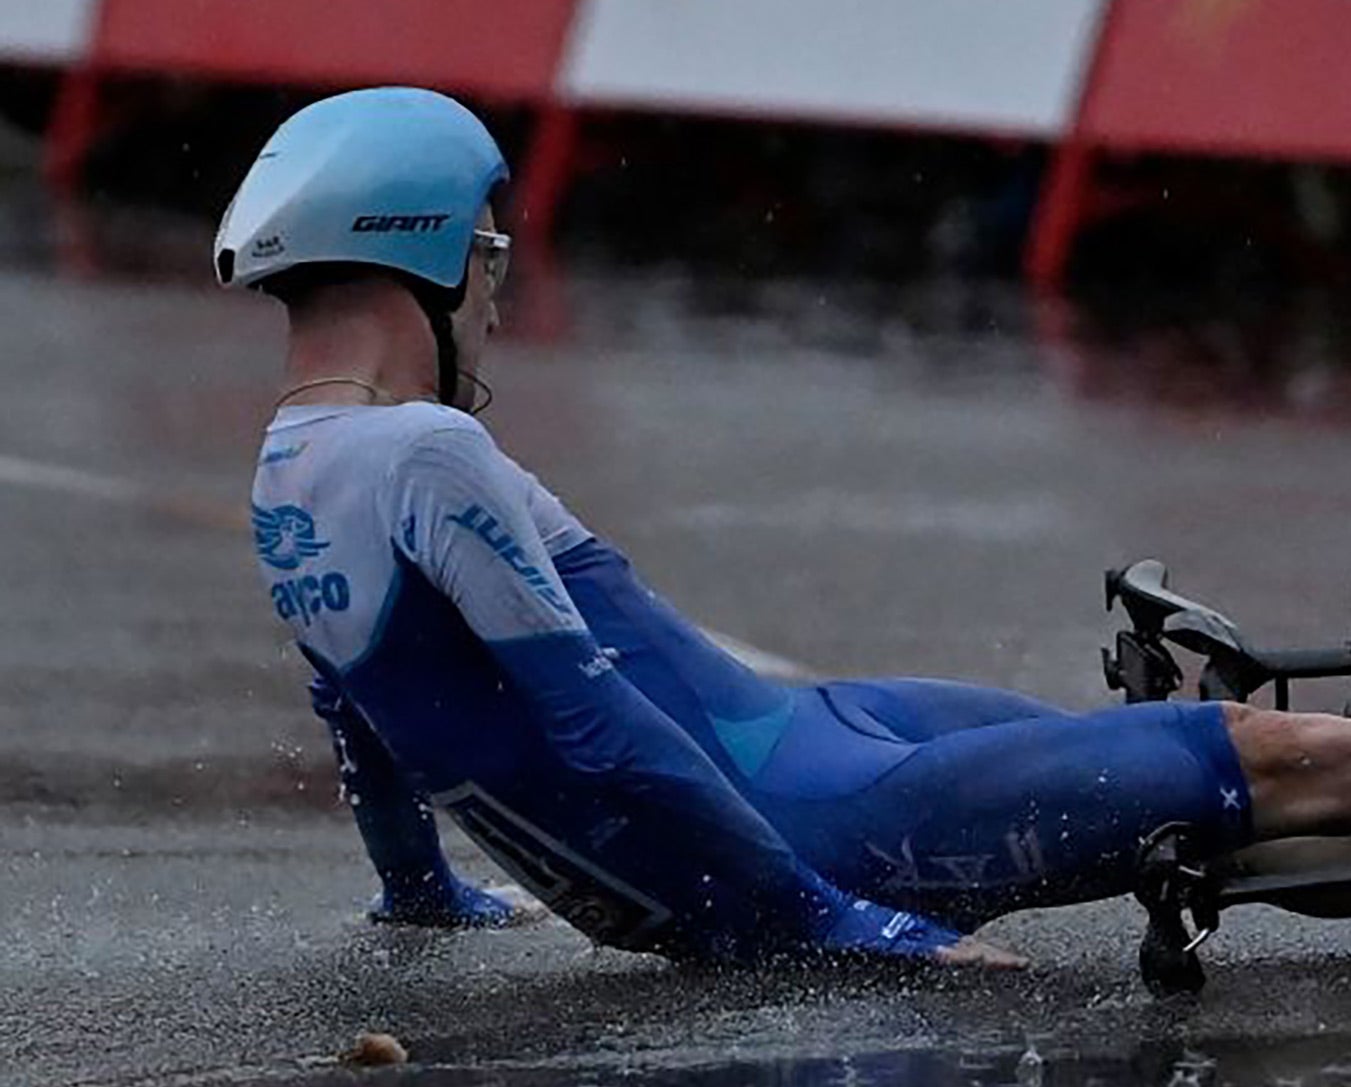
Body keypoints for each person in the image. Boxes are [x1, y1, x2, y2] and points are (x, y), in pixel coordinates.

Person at [218, 87, 1351, 973]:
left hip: (817, 736)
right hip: (819, 822)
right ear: (421, 254)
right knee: (1266, 762)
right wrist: (833, 921)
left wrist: (420, 892)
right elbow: (597, 722)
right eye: (488, 257)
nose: (495, 298)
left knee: (1207, 783)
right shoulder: (425, 450)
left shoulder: (293, 467)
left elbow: (354, 714)